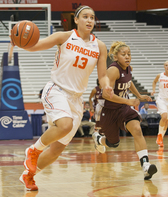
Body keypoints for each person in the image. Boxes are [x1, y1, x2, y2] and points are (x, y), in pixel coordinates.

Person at [10, 5, 113, 191]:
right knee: (64, 125)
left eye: (92, 17)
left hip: (76, 100)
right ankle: (33, 150)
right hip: (56, 90)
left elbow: (102, 75)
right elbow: (35, 46)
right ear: (76, 20)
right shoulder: (64, 37)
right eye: (85, 17)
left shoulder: (100, 46)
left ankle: (28, 175)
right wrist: (19, 42)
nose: (89, 20)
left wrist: (106, 85)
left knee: (57, 150)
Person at [92, 41, 157, 180]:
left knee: (137, 130)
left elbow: (129, 81)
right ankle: (99, 140)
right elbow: (105, 94)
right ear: (115, 57)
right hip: (108, 111)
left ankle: (145, 166)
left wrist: (139, 95)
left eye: (129, 54)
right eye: (123, 54)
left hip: (123, 108)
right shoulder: (113, 70)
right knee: (113, 143)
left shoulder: (128, 68)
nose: (127, 57)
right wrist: (129, 101)